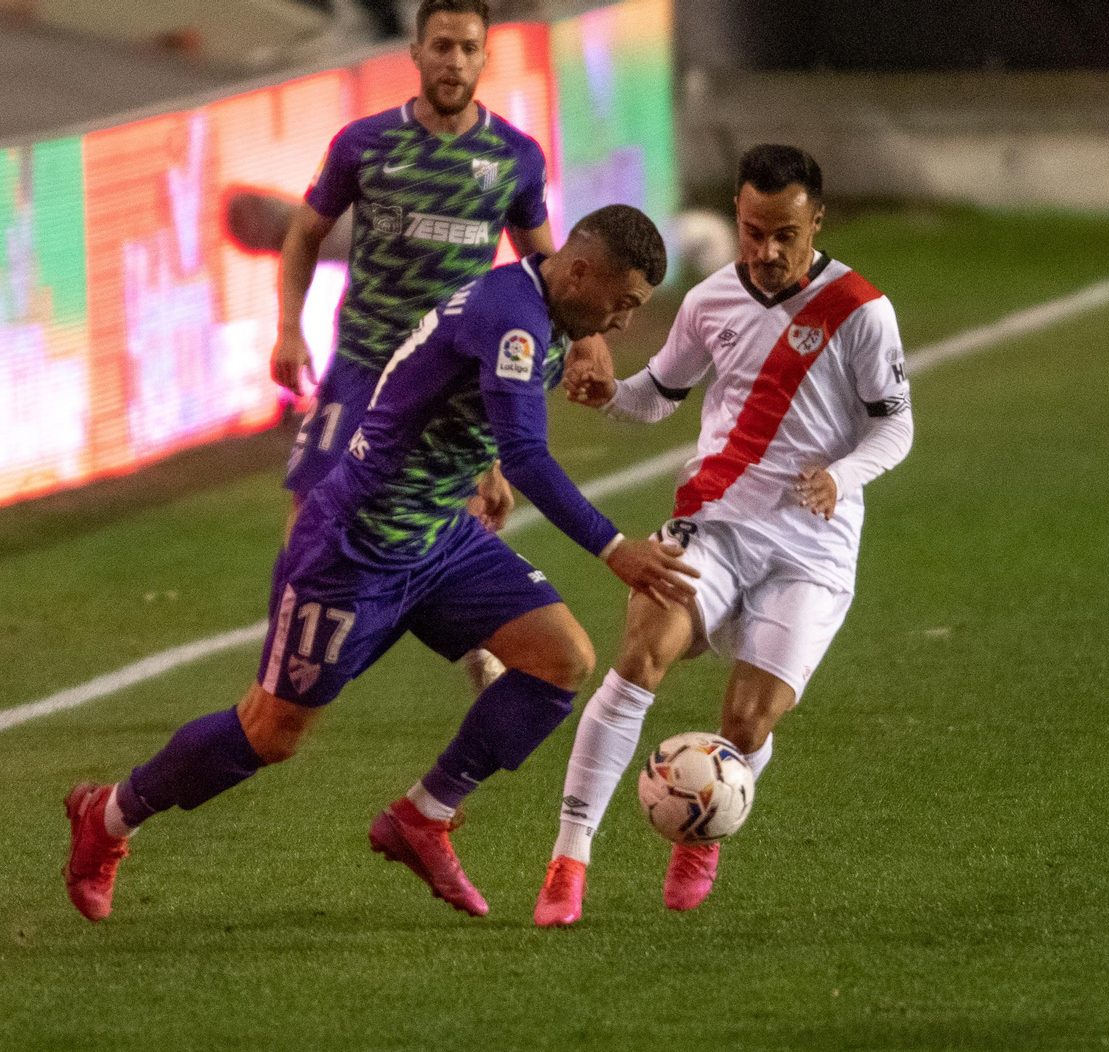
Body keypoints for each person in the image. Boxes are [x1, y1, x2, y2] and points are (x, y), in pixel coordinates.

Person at [63, 205, 697, 922]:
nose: (621, 323)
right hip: (354, 549)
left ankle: (423, 816)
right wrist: (617, 549)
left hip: (438, 536)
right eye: (623, 303)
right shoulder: (515, 318)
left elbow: (441, 379)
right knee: (269, 733)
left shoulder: (541, 309)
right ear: (581, 271)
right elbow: (529, 451)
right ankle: (110, 816)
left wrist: (478, 462)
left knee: (561, 661)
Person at [533, 145, 915, 927]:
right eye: (751, 232)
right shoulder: (709, 301)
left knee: (747, 721)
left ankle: (702, 830)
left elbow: (897, 427)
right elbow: (658, 396)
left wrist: (842, 476)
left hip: (811, 545)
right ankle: (569, 859)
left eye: (785, 235)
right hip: (713, 524)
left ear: (816, 221)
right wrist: (610, 396)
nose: (766, 252)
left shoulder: (862, 312)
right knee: (640, 658)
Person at [272, 0, 609, 689]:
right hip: (364, 364)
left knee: (438, 515)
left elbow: (548, 265)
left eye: (467, 49)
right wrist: (286, 328)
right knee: (311, 502)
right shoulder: (363, 144)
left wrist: (588, 339)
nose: (454, 61)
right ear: (416, 54)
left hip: (450, 376)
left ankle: (462, 635)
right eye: (442, 46)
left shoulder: (513, 158)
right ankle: (290, 664)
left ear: (486, 58)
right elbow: (305, 233)